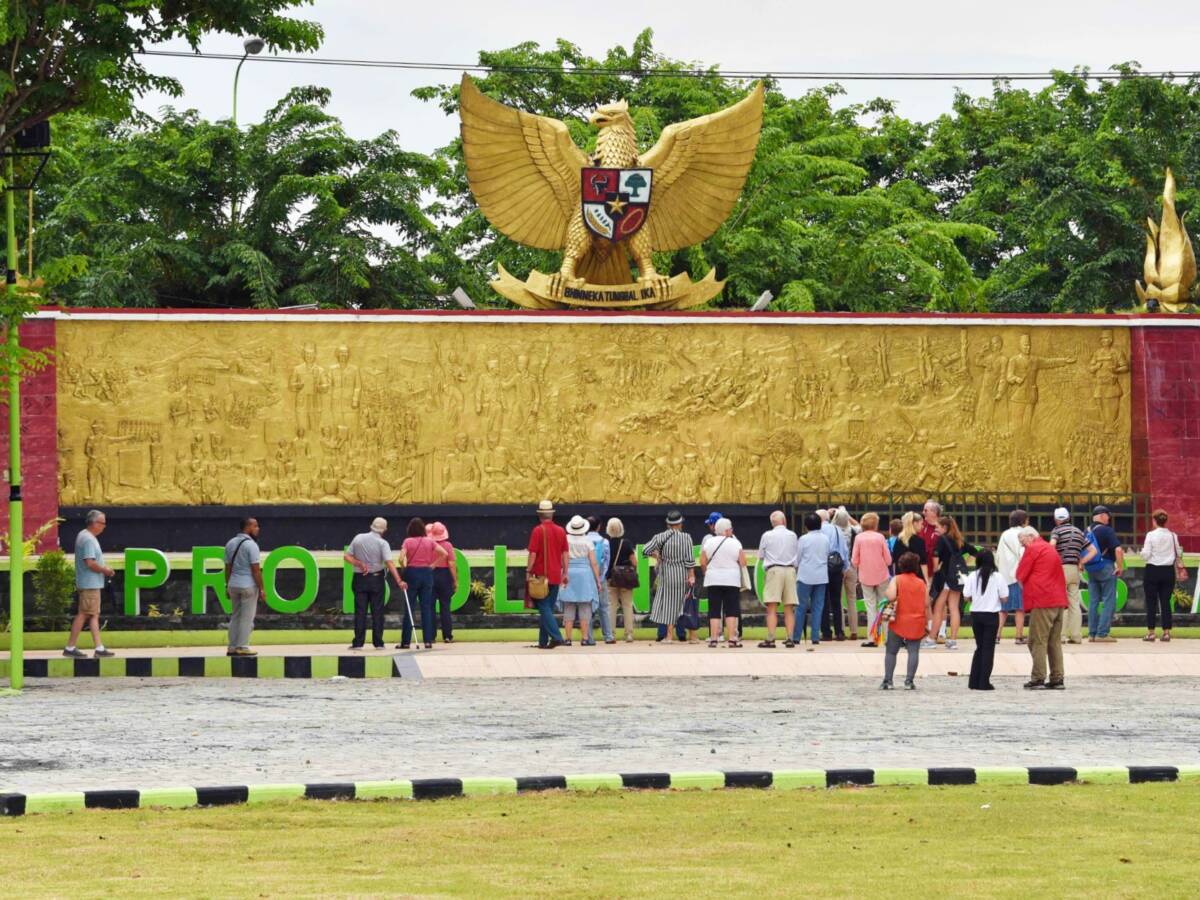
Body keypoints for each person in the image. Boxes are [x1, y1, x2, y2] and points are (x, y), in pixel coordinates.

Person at [1016, 530, 1068, 689]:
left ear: (1031, 537)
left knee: (1036, 640)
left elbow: (1020, 574)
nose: (1021, 544)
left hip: (1042, 600)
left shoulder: (1033, 549)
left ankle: (1038, 677)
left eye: (1022, 540)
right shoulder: (1049, 548)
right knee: (1054, 642)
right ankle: (1057, 678)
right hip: (1058, 600)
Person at [63, 509, 117, 659]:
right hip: (89, 583)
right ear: (94, 523)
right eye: (102, 523)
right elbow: (90, 562)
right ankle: (70, 647)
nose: (104, 526)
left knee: (93, 614)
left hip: (90, 582)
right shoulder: (87, 539)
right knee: (85, 614)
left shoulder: (85, 536)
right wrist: (105, 570)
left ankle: (99, 647)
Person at [345, 517, 404, 650]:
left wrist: (358, 563)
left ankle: (358, 643)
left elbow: (347, 556)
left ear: (371, 526)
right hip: (376, 579)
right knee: (377, 611)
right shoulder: (383, 543)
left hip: (359, 578)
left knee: (360, 612)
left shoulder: (358, 538)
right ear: (384, 530)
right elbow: (389, 562)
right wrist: (399, 580)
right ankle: (378, 642)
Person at [642, 510, 696, 644]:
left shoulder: (659, 537)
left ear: (668, 523)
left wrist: (658, 557)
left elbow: (645, 550)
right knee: (681, 605)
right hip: (681, 574)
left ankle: (669, 636)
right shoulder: (686, 537)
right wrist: (691, 575)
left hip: (666, 574)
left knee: (668, 605)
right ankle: (685, 635)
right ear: (680, 523)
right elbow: (690, 559)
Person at [880, 552, 929, 689]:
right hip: (916, 621)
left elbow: (890, 596)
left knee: (891, 651)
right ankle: (909, 681)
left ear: (901, 566)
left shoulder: (897, 579)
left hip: (898, 620)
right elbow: (926, 603)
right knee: (913, 651)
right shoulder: (921, 583)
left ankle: (888, 681)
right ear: (916, 567)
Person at [397, 517, 448, 649]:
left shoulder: (407, 541)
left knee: (410, 608)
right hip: (427, 574)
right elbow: (444, 554)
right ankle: (428, 641)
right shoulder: (429, 541)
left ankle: (406, 641)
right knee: (426, 608)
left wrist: (404, 567)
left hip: (412, 573)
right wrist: (432, 566)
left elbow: (401, 558)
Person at [927, 515, 976, 650]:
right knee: (954, 609)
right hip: (957, 578)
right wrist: (964, 563)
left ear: (944, 527)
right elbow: (975, 551)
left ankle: (931, 639)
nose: (936, 529)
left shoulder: (941, 540)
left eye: (937, 527)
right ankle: (953, 640)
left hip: (945, 578)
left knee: (938, 608)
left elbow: (936, 565)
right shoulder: (959, 540)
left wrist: (937, 567)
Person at [526, 499, 568, 649]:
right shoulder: (561, 531)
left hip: (540, 575)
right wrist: (565, 572)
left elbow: (533, 554)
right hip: (556, 575)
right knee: (547, 609)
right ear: (551, 515)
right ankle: (543, 642)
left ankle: (556, 637)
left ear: (539, 515)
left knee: (543, 607)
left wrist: (528, 571)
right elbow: (565, 553)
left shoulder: (538, 530)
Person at [964, 549, 1007, 690]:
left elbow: (966, 596)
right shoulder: (998, 577)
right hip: (991, 615)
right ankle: (984, 682)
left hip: (976, 615)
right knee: (988, 649)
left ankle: (973, 681)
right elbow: (1004, 598)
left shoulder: (972, 576)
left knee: (979, 648)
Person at [701, 517, 746, 648]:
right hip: (732, 579)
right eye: (731, 528)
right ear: (726, 530)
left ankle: (714, 639)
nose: (732, 530)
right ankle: (732, 638)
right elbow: (743, 562)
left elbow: (703, 561)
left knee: (714, 610)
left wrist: (706, 572)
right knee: (731, 610)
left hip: (713, 579)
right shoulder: (735, 543)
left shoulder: (709, 542)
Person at [1081, 505, 1124, 643]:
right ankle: (1102, 634)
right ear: (1101, 516)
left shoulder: (1086, 531)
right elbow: (1118, 550)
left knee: (1093, 601)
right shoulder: (1107, 530)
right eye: (1107, 515)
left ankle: (1092, 634)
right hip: (1105, 566)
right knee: (1108, 600)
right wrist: (1120, 566)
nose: (1109, 518)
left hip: (1091, 568)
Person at [223, 517, 265, 657]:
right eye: (256, 526)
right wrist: (262, 588)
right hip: (248, 586)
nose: (258, 529)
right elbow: (256, 570)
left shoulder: (230, 543)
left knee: (235, 616)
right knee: (247, 618)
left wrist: (227, 586)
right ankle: (243, 646)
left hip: (233, 585)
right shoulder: (251, 545)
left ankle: (232, 647)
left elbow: (227, 568)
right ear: (249, 527)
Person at [559, 515, 603, 646]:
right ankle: (584, 638)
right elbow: (594, 562)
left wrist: (563, 573)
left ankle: (567, 639)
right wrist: (598, 580)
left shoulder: (565, 539)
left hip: (569, 573)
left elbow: (563, 557)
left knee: (569, 606)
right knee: (585, 606)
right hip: (585, 574)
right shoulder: (587, 540)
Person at [757, 510, 799, 647]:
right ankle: (790, 638)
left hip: (774, 570)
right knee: (789, 607)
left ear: (772, 523)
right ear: (784, 521)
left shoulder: (767, 535)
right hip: (790, 571)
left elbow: (761, 555)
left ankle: (771, 638)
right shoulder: (793, 535)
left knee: (772, 607)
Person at [1140, 509, 1183, 642]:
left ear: (1154, 521)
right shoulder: (1173, 535)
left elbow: (1146, 554)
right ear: (1165, 521)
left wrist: (1142, 553)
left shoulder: (1151, 535)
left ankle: (1151, 632)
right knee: (1165, 602)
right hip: (1168, 571)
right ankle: (1166, 632)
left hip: (1152, 570)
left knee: (1151, 602)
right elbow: (1178, 553)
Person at [851, 512, 892, 648]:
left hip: (865, 575)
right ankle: (886, 637)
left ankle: (872, 638)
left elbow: (854, 560)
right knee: (884, 606)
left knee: (870, 607)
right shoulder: (880, 537)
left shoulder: (859, 538)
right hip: (881, 575)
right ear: (875, 525)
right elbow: (888, 559)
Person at [996, 510, 1036, 645]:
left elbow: (998, 556)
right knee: (1020, 608)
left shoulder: (1004, 534)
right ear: (1023, 520)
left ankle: (997, 635)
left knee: (1003, 610)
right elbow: (1024, 553)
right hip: (1018, 576)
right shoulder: (1022, 534)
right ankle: (1018, 636)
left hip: (1004, 576)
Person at [1049, 508, 1086, 644]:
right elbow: (1092, 550)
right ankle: (1076, 636)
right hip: (1074, 569)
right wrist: (1081, 561)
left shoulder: (1057, 531)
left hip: (1060, 569)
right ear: (1068, 517)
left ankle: (1061, 636)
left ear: (1056, 519)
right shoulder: (1078, 531)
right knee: (1074, 604)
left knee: (1061, 603)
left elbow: (1052, 545)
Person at [793, 512, 830, 649]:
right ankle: (815, 636)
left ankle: (796, 637)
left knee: (801, 607)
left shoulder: (803, 539)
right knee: (818, 607)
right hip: (821, 576)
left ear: (806, 526)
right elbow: (827, 554)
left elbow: (798, 557)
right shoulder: (825, 539)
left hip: (805, 575)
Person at [605, 517, 637, 642]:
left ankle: (611, 634)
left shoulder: (606, 544)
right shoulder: (627, 543)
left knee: (611, 606)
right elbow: (634, 561)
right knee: (627, 605)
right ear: (621, 528)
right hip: (626, 579)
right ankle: (628, 634)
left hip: (610, 579)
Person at [832, 507, 863, 640]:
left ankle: (841, 630)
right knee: (852, 599)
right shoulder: (853, 531)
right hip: (851, 566)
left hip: (837, 567)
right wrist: (847, 514)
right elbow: (859, 525)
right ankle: (854, 631)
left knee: (838, 600)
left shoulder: (833, 531)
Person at [819, 510, 848, 641]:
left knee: (823, 600)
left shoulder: (818, 530)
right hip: (837, 566)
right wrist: (845, 567)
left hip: (823, 566)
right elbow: (844, 549)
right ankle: (839, 631)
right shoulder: (837, 529)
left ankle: (826, 632)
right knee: (836, 601)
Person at [586, 516, 615, 644]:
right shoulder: (604, 542)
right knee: (604, 607)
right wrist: (601, 577)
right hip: (600, 578)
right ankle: (608, 636)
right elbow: (607, 562)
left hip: (586, 579)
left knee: (587, 608)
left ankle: (589, 638)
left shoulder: (583, 540)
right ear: (599, 526)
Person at [427, 521, 457, 643]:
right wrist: (455, 580)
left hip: (431, 575)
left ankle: (431, 636)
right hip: (444, 576)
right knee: (445, 607)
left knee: (430, 607)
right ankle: (447, 635)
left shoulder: (428, 544)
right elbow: (451, 564)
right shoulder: (448, 546)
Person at [897, 511, 930, 583]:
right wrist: (927, 581)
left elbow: (895, 561)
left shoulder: (898, 540)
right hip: (916, 578)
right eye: (921, 524)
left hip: (900, 577)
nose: (922, 526)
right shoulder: (919, 541)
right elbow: (923, 563)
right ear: (915, 523)